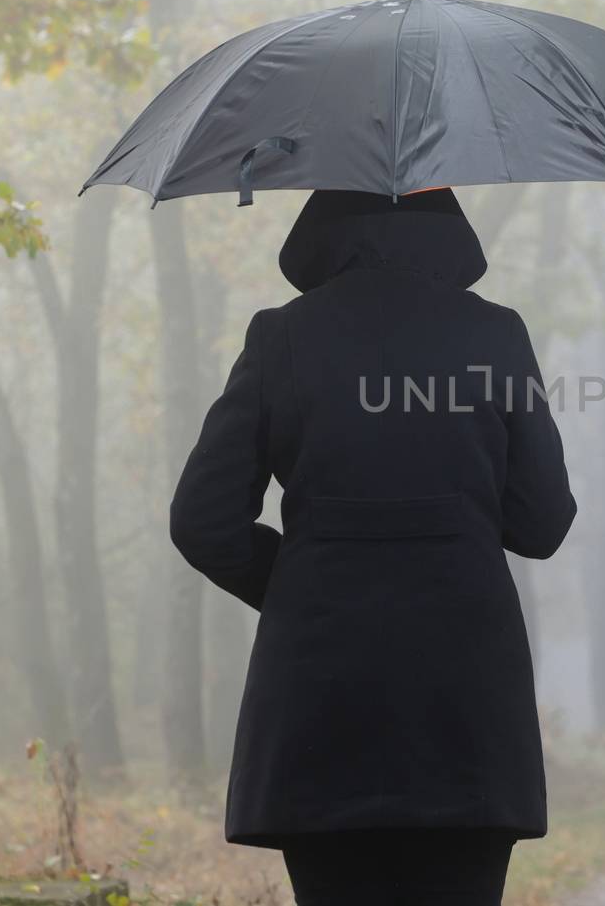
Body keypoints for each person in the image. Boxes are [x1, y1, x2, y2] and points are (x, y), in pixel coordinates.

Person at [168, 187, 577, 905]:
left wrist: (299, 580)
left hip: (321, 695)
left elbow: (203, 518)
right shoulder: (495, 337)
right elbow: (542, 523)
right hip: (466, 707)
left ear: (321, 226)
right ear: (449, 227)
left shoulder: (282, 337)